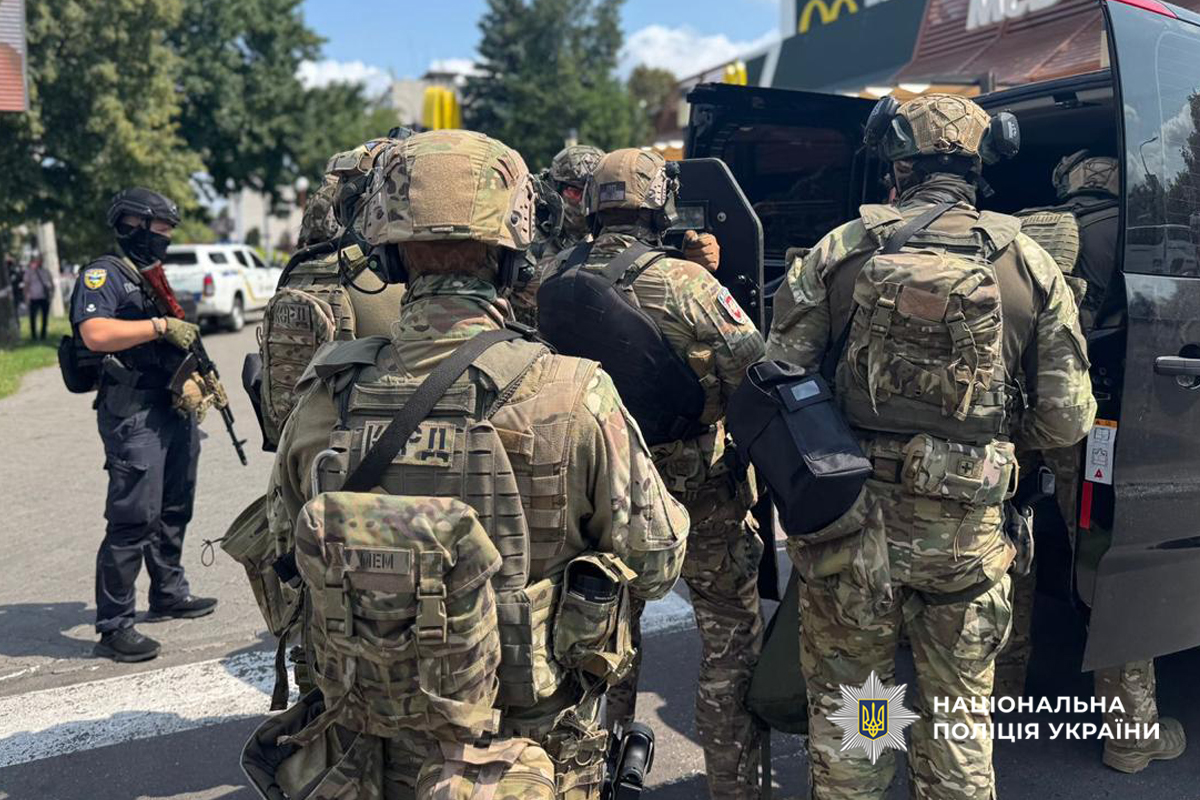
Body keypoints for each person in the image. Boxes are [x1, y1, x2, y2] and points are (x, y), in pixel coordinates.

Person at [267, 129, 688, 799]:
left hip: (363, 758)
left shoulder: (325, 396)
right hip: (527, 755)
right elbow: (658, 559)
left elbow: (283, 559)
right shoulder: (573, 395)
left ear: (389, 254)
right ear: (515, 255)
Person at [765, 94, 1096, 799]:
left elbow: (780, 379)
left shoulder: (842, 249)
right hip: (966, 543)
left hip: (854, 531)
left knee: (862, 717)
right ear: (982, 166)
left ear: (897, 166)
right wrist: (992, 441)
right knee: (956, 721)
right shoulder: (1029, 262)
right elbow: (1067, 421)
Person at [539, 148, 766, 800]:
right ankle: (734, 789)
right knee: (729, 648)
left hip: (597, 500)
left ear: (592, 204)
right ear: (659, 206)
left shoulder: (550, 279)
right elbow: (756, 377)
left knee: (602, 649)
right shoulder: (690, 285)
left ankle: (600, 780)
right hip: (701, 497)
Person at [1000, 152, 1186, 773]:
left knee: (1008, 546)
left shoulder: (1016, 230)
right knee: (1108, 560)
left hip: (1009, 415)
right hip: (1090, 420)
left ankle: (1002, 686)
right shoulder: (1133, 229)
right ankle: (1130, 734)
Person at [71, 188, 217, 663]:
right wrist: (158, 327)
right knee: (134, 517)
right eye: (161, 229)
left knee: (175, 506)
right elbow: (95, 333)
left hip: (170, 407)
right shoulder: (104, 274)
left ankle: (168, 592)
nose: (166, 238)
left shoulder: (151, 276)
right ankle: (115, 625)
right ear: (134, 224)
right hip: (132, 413)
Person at [23, 258, 52, 340]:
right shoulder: (29, 272)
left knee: (44, 317)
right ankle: (34, 336)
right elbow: (26, 285)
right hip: (33, 298)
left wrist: (51, 294)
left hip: (44, 298)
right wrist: (26, 296)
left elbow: (51, 283)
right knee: (33, 317)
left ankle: (43, 335)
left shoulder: (46, 271)